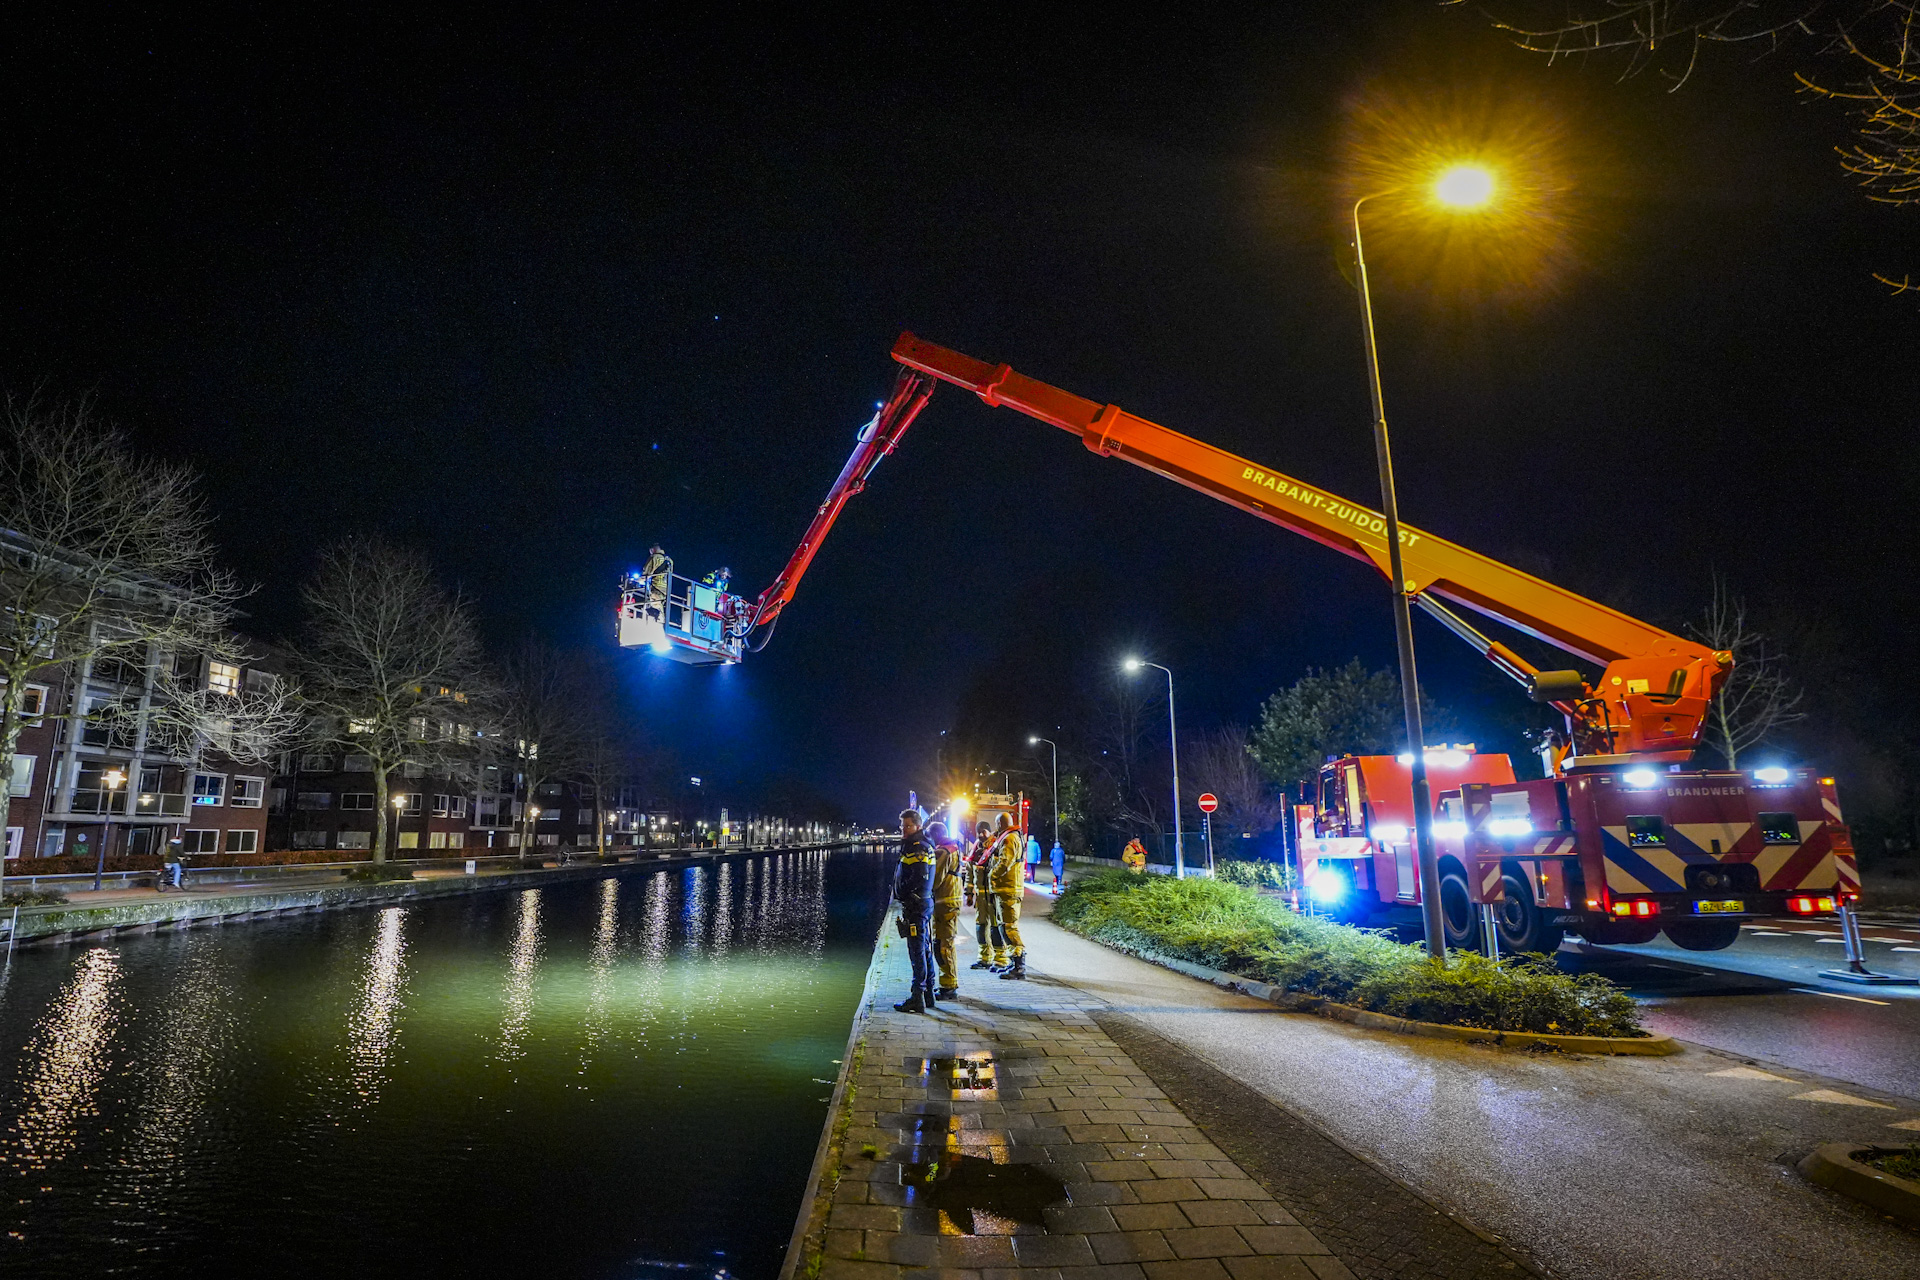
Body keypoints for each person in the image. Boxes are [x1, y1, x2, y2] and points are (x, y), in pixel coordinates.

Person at [892, 808, 938, 1014]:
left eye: (908, 826)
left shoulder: (917, 847)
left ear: (918, 826)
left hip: (916, 904)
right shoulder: (921, 844)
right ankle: (928, 993)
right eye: (903, 826)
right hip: (921, 903)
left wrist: (903, 892)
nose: (904, 830)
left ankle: (917, 996)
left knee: (916, 950)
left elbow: (919, 876)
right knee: (924, 948)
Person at [929, 820, 963, 1000]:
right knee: (946, 944)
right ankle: (948, 983)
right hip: (952, 900)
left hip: (944, 902)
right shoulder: (955, 848)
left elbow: (935, 879)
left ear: (935, 835)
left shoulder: (942, 852)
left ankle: (948, 987)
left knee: (943, 946)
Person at [990, 820, 1028, 979]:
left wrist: (991, 875)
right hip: (1007, 889)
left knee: (1010, 928)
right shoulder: (1012, 837)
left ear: (999, 823)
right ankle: (1014, 964)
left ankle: (1019, 966)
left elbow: (1005, 862)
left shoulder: (1009, 839)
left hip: (1008, 889)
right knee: (1005, 927)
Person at [968, 820, 1000, 970]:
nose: (981, 835)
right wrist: (969, 893)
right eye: (978, 832)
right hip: (981, 896)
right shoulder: (976, 849)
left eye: (984, 832)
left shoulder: (996, 847)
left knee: (995, 927)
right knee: (981, 926)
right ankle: (984, 958)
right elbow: (969, 871)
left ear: (989, 831)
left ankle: (1000, 959)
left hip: (994, 895)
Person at [641, 545, 673, 613]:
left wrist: (635, 580)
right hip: (666, 592)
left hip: (655, 590)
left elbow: (645, 576)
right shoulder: (670, 560)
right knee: (659, 613)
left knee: (650, 613)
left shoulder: (655, 557)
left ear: (652, 550)